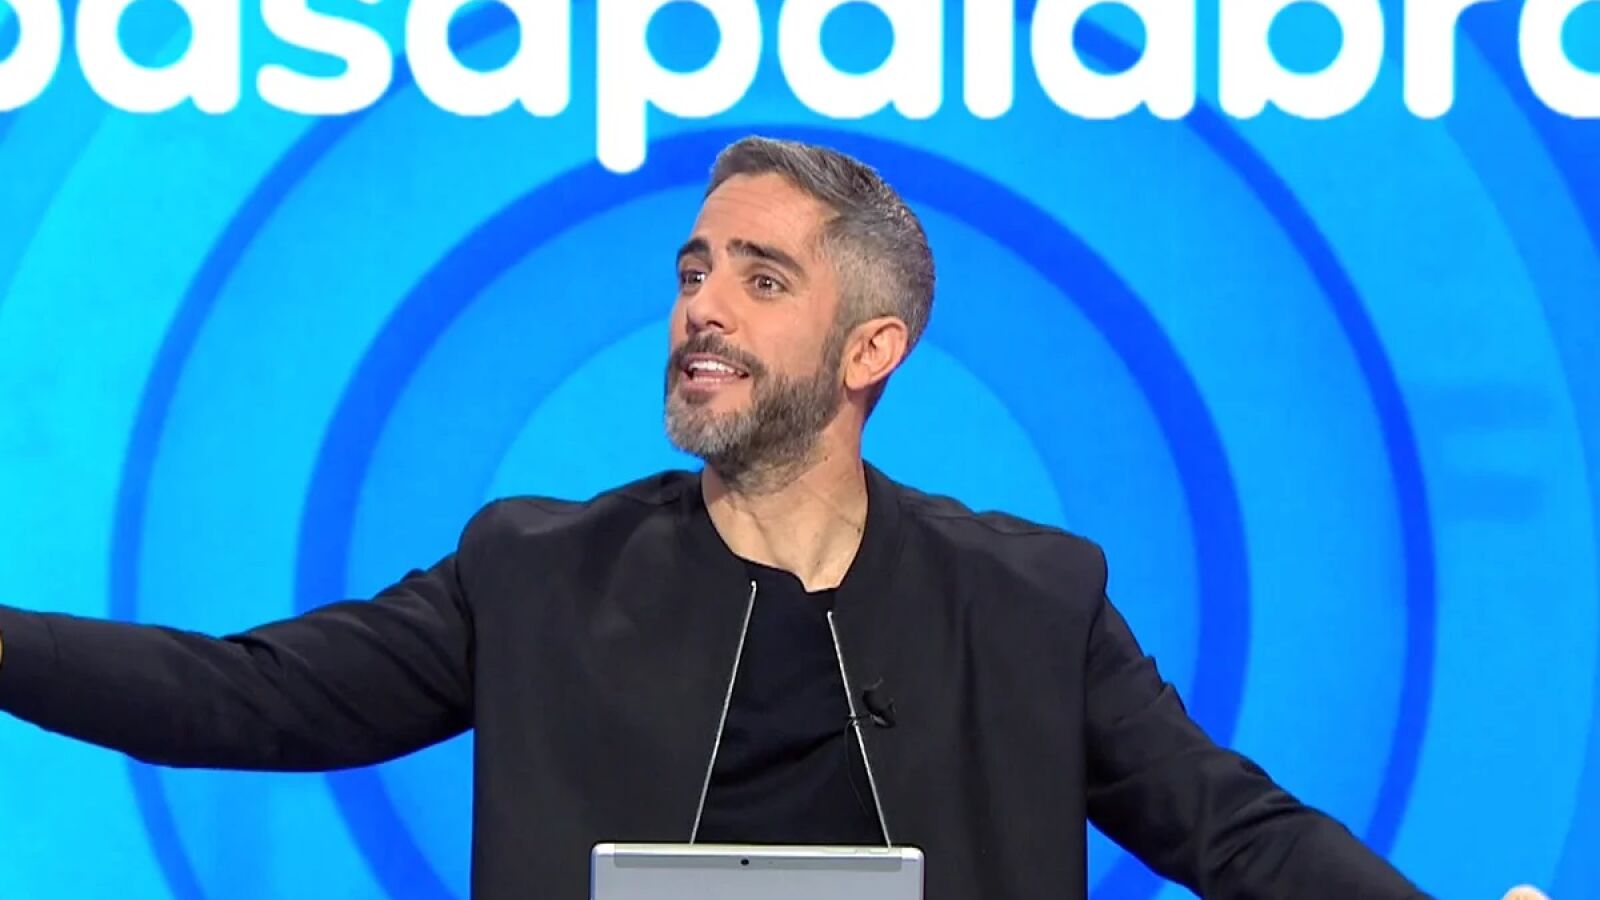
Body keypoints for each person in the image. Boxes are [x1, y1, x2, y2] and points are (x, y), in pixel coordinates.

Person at [0, 136, 1540, 900]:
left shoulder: (1029, 601)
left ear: (872, 351)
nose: (702, 308)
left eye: (760, 277)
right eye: (693, 270)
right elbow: (244, 697)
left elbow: (1233, 828)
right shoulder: (531, 570)